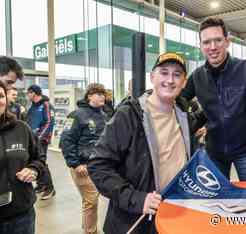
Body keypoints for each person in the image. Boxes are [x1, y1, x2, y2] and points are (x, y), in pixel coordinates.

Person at [88, 52, 205, 234]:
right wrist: (135, 199)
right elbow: (98, 165)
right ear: (152, 78)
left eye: (177, 74)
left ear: (183, 82)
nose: (170, 80)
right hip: (135, 221)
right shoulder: (129, 115)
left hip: (175, 213)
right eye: (164, 72)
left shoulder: (183, 114)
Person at [180, 17, 246, 187]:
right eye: (207, 42)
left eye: (218, 40)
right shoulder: (197, 77)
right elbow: (176, 100)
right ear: (201, 46)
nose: (213, 47)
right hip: (214, 153)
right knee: (214, 201)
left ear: (227, 41)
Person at [60, 83, 107, 234]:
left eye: (103, 94)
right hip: (82, 166)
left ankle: (89, 229)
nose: (102, 97)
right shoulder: (76, 115)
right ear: (89, 96)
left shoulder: (103, 116)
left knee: (91, 201)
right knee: (91, 200)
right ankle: (90, 231)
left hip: (98, 165)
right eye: (98, 94)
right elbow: (66, 141)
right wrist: (75, 164)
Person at [0, 81, 44, 234]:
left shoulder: (21, 128)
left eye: (0, 96)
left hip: (22, 216)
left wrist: (34, 169)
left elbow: (39, 158)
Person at [26, 84, 56, 199]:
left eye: (28, 93)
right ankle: (41, 185)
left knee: (41, 162)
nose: (27, 95)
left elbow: (49, 122)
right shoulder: (33, 106)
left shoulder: (46, 105)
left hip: (41, 140)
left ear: (33, 93)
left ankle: (50, 189)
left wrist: (38, 137)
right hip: (32, 139)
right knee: (34, 161)